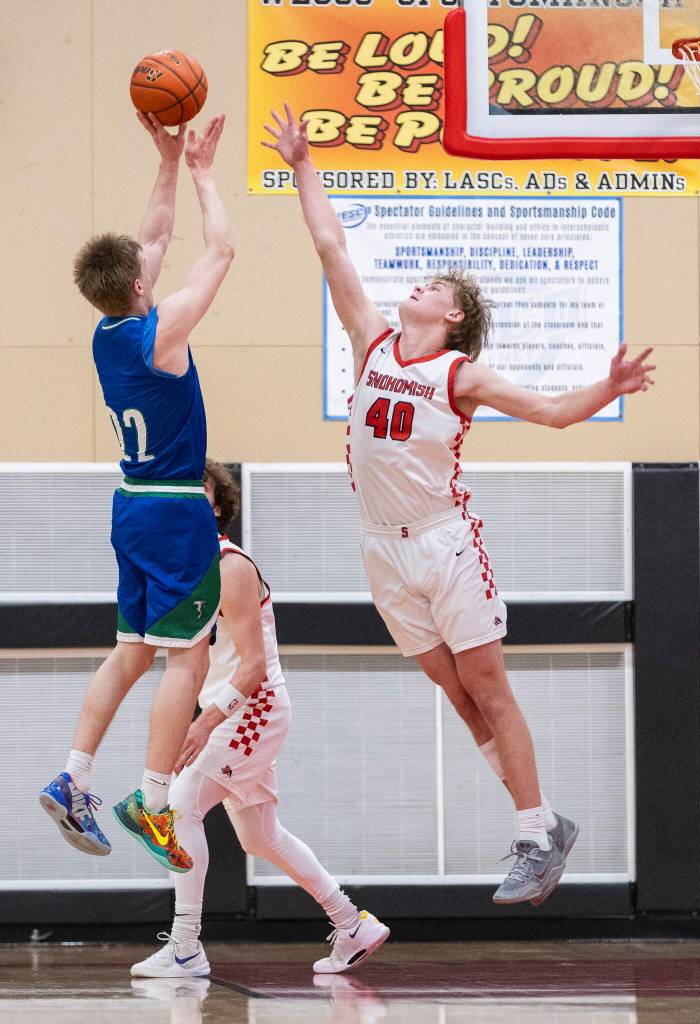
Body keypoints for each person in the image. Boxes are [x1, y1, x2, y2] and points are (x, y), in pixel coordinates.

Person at [263, 104, 656, 904]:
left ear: (452, 320)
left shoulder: (461, 376)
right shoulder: (371, 339)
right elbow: (331, 247)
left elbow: (548, 411)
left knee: (488, 685)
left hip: (443, 544)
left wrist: (607, 388)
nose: (423, 283)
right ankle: (547, 820)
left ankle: (531, 834)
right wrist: (304, 165)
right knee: (455, 691)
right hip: (380, 547)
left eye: (438, 287)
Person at [39, 112, 235, 874]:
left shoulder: (106, 332)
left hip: (127, 504)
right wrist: (202, 170)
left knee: (128, 653)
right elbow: (220, 251)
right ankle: (153, 802)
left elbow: (147, 243)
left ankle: (74, 774)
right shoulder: (165, 334)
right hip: (179, 508)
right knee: (186, 661)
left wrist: (162, 161)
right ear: (141, 286)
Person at [130, 460, 389, 977]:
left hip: (253, 709)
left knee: (179, 812)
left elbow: (250, 666)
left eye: (197, 489)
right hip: (227, 710)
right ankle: (351, 922)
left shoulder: (231, 565)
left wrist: (206, 723)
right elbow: (196, 664)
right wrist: (190, 718)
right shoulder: (187, 573)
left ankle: (185, 946)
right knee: (260, 837)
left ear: (218, 505)